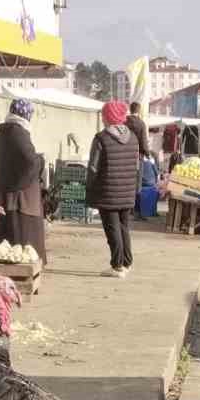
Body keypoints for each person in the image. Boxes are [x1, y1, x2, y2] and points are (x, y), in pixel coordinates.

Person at [88, 100, 140, 278]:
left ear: (108, 117)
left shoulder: (101, 138)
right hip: (127, 191)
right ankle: (127, 262)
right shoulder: (133, 137)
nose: (102, 118)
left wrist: (90, 188)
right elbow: (137, 166)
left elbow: (93, 168)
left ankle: (117, 266)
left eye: (104, 115)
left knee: (113, 229)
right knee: (124, 227)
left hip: (108, 192)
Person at [0, 98, 49, 264]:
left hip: (8, 190)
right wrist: (41, 159)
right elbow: (29, 161)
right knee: (23, 236)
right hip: (20, 195)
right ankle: (23, 268)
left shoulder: (5, 130)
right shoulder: (17, 131)